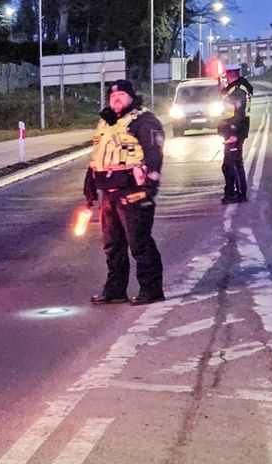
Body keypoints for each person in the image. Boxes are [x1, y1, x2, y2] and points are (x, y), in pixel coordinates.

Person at [83, 79, 167, 306]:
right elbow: (97, 156)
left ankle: (151, 290)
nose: (115, 100)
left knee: (139, 243)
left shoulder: (144, 121)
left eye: (120, 96)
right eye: (112, 97)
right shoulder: (106, 123)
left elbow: (154, 154)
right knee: (112, 246)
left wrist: (149, 187)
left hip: (133, 192)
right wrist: (89, 185)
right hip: (110, 193)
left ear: (132, 97)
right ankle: (115, 290)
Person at [218, 64, 251, 203]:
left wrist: (233, 133)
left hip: (235, 133)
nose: (225, 78)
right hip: (232, 132)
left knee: (232, 165)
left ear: (232, 75)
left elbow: (238, 114)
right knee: (230, 165)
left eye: (227, 75)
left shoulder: (239, 91)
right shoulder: (234, 89)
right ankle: (233, 193)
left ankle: (238, 194)